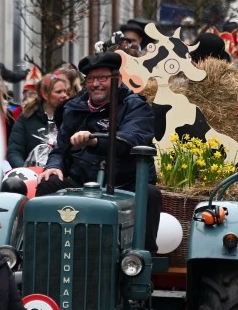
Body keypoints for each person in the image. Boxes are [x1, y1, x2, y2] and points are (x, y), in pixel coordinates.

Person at [36, 52, 160, 251]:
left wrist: (94, 140)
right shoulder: (73, 108)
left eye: (102, 78)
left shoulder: (136, 107)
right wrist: (53, 166)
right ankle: (44, 254)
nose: (95, 84)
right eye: (91, 79)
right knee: (48, 183)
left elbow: (133, 139)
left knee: (150, 193)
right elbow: (60, 149)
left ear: (118, 80)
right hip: (83, 183)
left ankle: (139, 263)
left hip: (123, 185)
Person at [6, 73, 69, 168]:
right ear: (45, 94)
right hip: (31, 175)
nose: (64, 95)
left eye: (65, 91)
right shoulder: (26, 118)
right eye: (59, 92)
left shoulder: (70, 118)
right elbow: (14, 151)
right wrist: (25, 171)